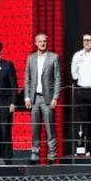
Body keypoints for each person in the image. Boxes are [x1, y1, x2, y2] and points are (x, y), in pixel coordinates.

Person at [24, 33, 61, 164]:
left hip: (48, 99)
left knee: (50, 126)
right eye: (40, 41)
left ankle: (52, 153)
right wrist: (27, 97)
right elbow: (27, 80)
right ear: (36, 43)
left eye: (44, 41)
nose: (43, 43)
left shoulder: (54, 57)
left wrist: (55, 98)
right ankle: (35, 151)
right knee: (35, 127)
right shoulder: (31, 58)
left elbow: (58, 80)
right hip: (34, 98)